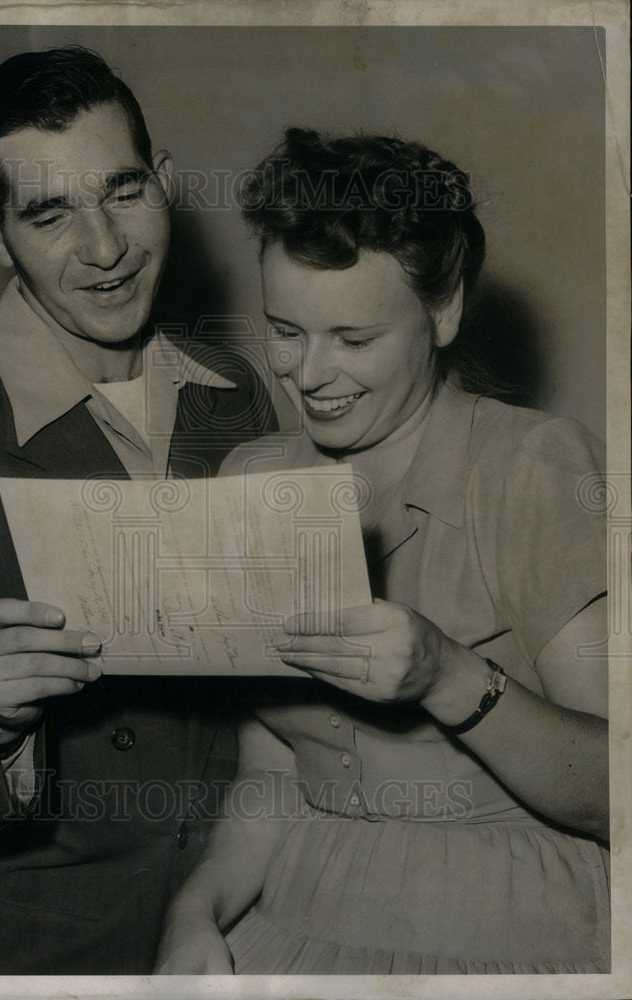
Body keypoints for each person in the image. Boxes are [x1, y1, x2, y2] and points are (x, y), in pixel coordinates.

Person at [0, 47, 274, 974]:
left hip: (232, 923)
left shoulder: (233, 392)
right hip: (35, 954)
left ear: (164, 184)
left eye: (123, 191)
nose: (106, 247)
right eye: (48, 213)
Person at [155, 128, 609, 974]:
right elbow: (275, 774)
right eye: (286, 331)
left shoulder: (537, 468)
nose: (309, 375)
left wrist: (449, 675)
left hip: (503, 930)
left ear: (444, 311)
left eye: (354, 340)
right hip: (296, 913)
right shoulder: (258, 474)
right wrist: (195, 912)